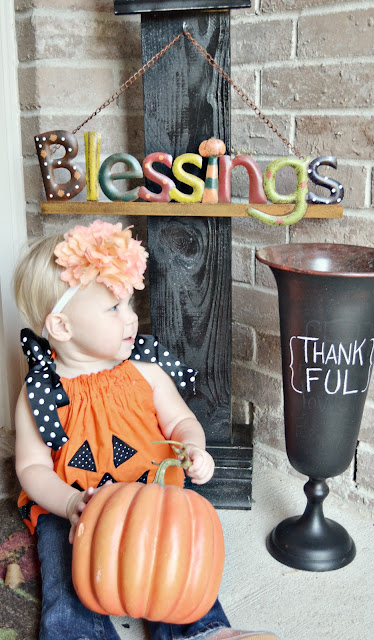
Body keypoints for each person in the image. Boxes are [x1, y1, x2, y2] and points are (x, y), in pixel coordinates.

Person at [13, 220, 279, 640]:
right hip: (75, 506)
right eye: (114, 309)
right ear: (62, 327)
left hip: (151, 499)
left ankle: (204, 631)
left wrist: (193, 449)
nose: (132, 318)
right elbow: (31, 467)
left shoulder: (146, 373)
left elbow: (181, 422)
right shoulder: (42, 392)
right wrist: (69, 502)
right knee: (63, 569)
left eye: (129, 304)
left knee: (179, 563)